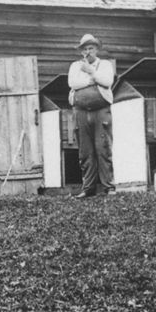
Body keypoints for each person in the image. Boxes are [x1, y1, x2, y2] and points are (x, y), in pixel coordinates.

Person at [68, 33, 114, 198]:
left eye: (91, 48)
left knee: (103, 148)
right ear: (81, 52)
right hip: (80, 111)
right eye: (85, 49)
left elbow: (107, 81)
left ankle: (109, 187)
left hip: (101, 111)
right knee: (85, 151)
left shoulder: (106, 64)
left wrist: (91, 71)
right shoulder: (75, 66)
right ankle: (88, 188)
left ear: (96, 50)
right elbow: (72, 83)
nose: (88, 52)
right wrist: (90, 81)